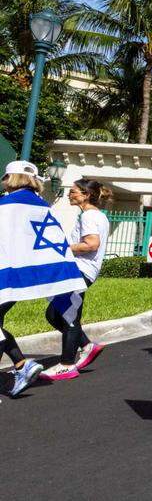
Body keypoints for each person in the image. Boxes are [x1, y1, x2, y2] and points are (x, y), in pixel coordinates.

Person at [40, 178, 112, 381]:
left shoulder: (89, 216)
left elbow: (91, 244)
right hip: (80, 271)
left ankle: (66, 364)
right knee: (54, 314)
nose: (69, 195)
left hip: (80, 271)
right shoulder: (95, 215)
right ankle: (87, 345)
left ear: (86, 195)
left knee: (68, 317)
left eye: (73, 192)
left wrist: (61, 247)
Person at [0, 162, 47, 395]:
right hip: (24, 276)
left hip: (5, 274)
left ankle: (21, 366)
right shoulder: (41, 205)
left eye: (5, 175)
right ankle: (21, 364)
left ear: (12, 177)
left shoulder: (7, 205)